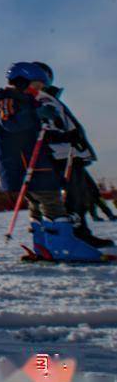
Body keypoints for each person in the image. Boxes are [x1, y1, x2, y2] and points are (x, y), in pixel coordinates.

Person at [0, 61, 99, 261]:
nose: (39, 91)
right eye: (36, 86)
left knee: (38, 203)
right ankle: (63, 247)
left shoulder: (27, 100)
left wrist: (56, 130)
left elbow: (37, 129)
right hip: (25, 163)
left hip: (37, 160)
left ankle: (44, 245)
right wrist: (35, 114)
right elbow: (10, 123)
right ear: (20, 81)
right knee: (50, 199)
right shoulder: (6, 98)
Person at [30, 62, 115, 255]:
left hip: (70, 153)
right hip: (62, 155)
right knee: (75, 197)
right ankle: (77, 234)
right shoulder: (43, 100)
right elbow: (47, 128)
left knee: (85, 193)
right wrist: (65, 137)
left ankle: (77, 232)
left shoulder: (48, 98)